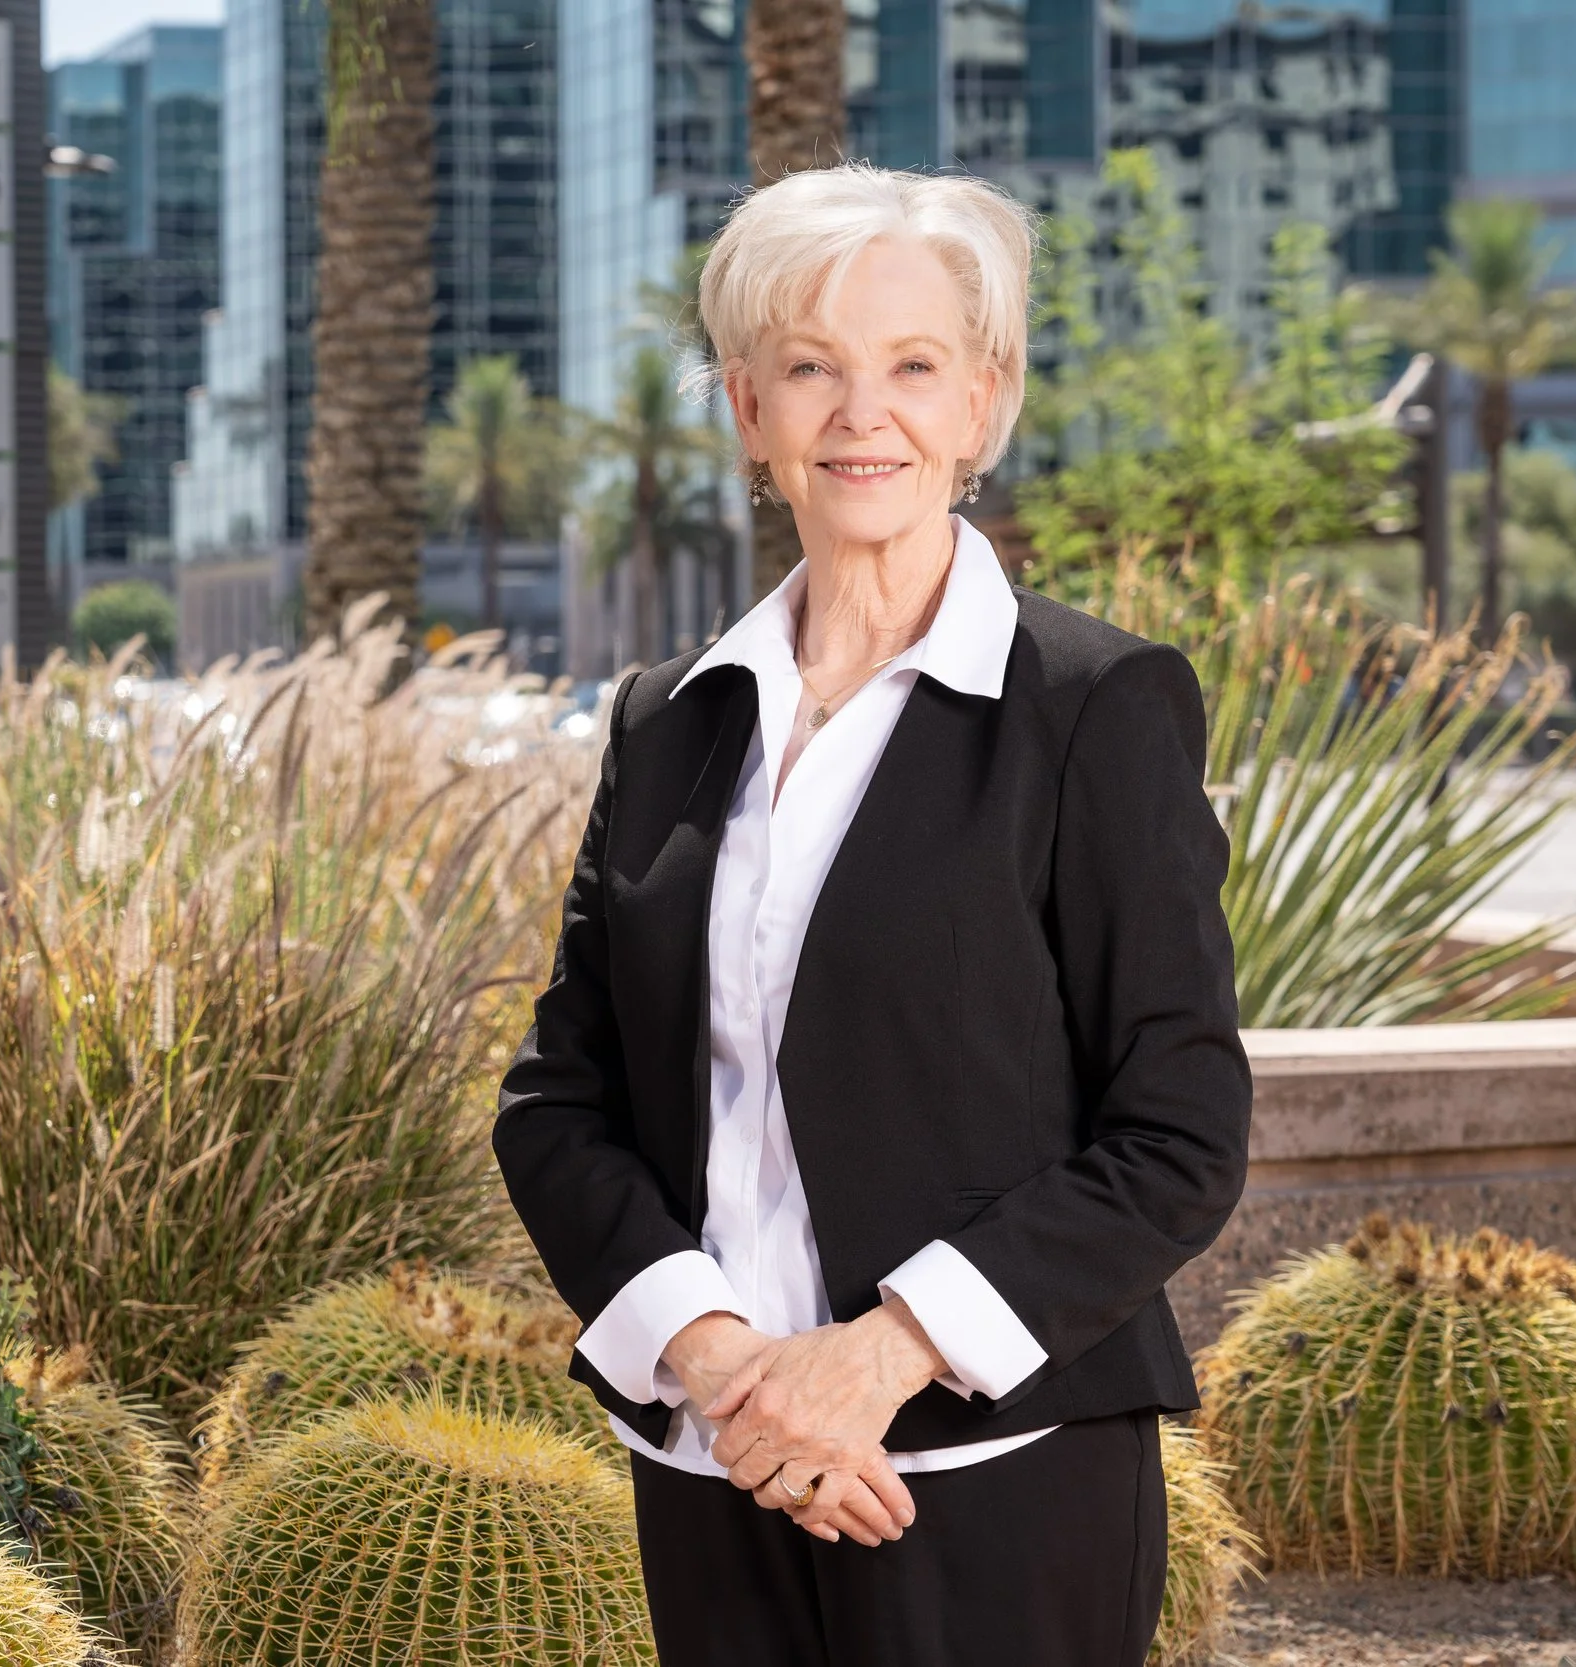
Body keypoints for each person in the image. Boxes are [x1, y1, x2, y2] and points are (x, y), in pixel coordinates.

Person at [493, 163, 1251, 1667]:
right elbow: (556, 1103)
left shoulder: (1094, 707)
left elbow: (1179, 1132)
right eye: (812, 368)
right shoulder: (671, 722)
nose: (863, 413)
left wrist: (877, 1361)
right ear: (745, 411)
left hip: (990, 1480)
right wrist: (720, 1368)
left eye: (912, 366)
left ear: (983, 403)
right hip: (712, 1468)